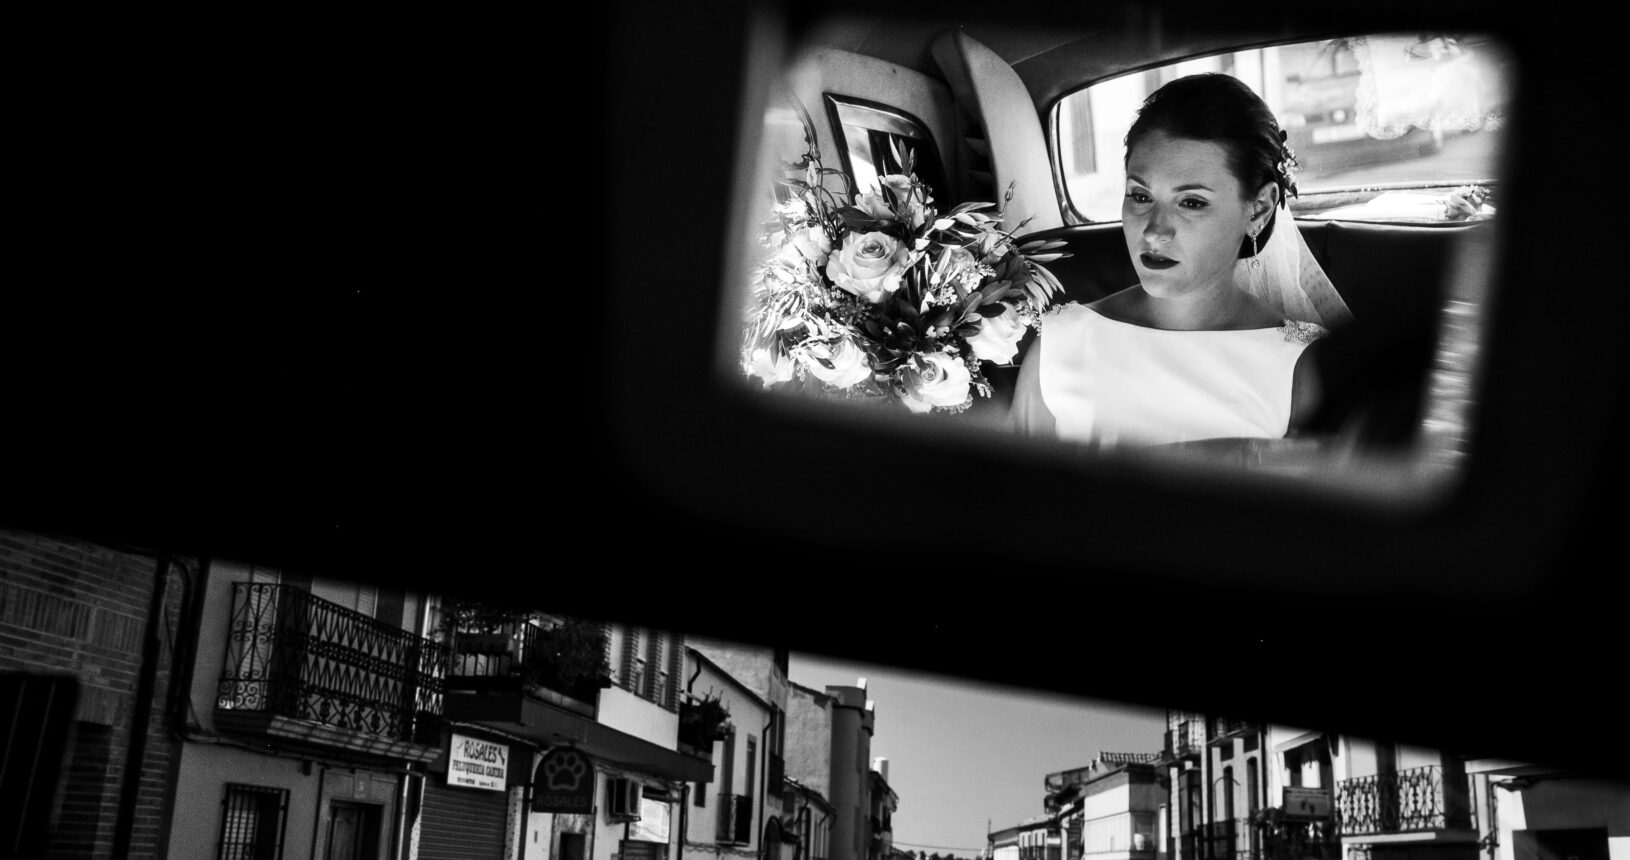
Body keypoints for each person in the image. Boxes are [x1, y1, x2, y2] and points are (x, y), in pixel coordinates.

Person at [1010, 73, 1353, 450]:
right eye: (1141, 196)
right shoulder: (1059, 345)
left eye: (1191, 202)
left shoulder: (1301, 368)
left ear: (1258, 208)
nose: (1155, 231)